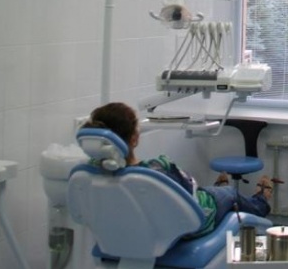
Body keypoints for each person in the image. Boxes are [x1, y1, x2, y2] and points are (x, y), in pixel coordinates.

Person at [82, 102, 272, 238]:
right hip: (193, 222)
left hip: (133, 231)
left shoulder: (90, 173)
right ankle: (262, 199)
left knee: (211, 192)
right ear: (134, 139)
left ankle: (218, 188)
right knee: (230, 194)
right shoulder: (156, 170)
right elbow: (190, 192)